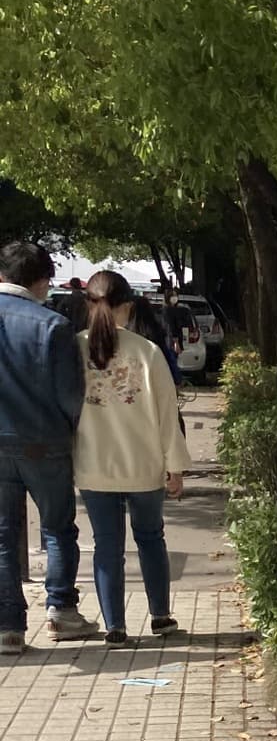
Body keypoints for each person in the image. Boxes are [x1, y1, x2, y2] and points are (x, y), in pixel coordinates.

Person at [76, 269, 190, 646]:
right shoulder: (147, 352)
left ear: (89, 305)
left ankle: (115, 625)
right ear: (127, 306)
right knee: (151, 538)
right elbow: (166, 414)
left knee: (106, 545)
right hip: (144, 465)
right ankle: (160, 615)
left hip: (94, 466)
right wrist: (175, 466)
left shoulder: (74, 350)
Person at [0, 239, 96, 655]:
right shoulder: (53, 325)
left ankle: (8, 627)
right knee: (57, 528)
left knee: (2, 535)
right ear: (42, 281)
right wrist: (71, 429)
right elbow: (70, 394)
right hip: (44, 440)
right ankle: (61, 611)